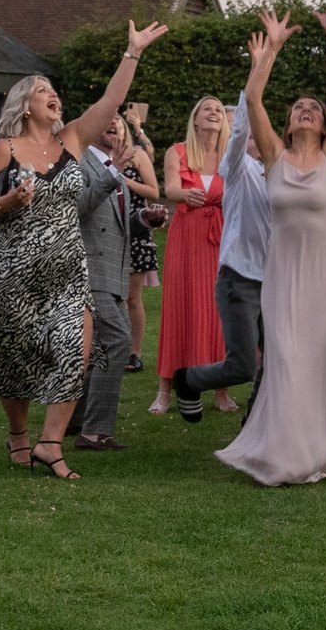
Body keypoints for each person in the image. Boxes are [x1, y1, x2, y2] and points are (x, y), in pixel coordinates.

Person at [0, 20, 168, 481]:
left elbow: (111, 102)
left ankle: (50, 443)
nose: (52, 95)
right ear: (25, 105)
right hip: (16, 263)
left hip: (67, 265)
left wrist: (132, 51)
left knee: (77, 349)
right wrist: (7, 201)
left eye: (53, 90)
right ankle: (19, 433)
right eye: (43, 91)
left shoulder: (73, 139)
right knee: (15, 354)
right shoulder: (5, 148)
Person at [215, 0, 326, 485]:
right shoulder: (274, 155)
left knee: (320, 364)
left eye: (312, 108)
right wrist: (270, 49)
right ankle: (284, 450)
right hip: (281, 276)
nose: (305, 109)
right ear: (288, 121)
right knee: (284, 358)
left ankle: (325, 450)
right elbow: (253, 98)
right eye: (298, 106)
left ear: (324, 125)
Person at [168, 81, 274, 423]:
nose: (257, 142)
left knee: (276, 359)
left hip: (274, 278)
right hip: (239, 278)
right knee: (243, 365)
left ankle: (255, 423)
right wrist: (254, 81)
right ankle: (189, 380)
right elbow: (240, 130)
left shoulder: (276, 173)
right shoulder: (237, 167)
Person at [152, 96, 233, 415]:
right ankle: (164, 390)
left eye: (218, 110)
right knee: (181, 308)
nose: (213, 113)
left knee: (220, 311)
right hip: (187, 238)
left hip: (223, 238)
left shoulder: (231, 155)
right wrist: (184, 194)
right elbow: (171, 188)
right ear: (195, 120)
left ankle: (221, 390)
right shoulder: (178, 151)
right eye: (206, 109)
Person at [73, 113, 145, 452]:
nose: (113, 122)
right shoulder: (79, 162)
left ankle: (77, 419)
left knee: (100, 347)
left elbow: (113, 220)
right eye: (106, 118)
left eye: (118, 119)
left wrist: (143, 218)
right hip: (88, 271)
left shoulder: (112, 165)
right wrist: (114, 172)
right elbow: (78, 208)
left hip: (113, 275)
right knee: (118, 340)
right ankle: (94, 431)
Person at [119, 103, 162, 375]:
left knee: (131, 297)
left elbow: (154, 191)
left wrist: (122, 180)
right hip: (106, 231)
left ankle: (134, 353)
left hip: (136, 231)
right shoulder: (96, 155)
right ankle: (111, 348)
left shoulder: (136, 154)